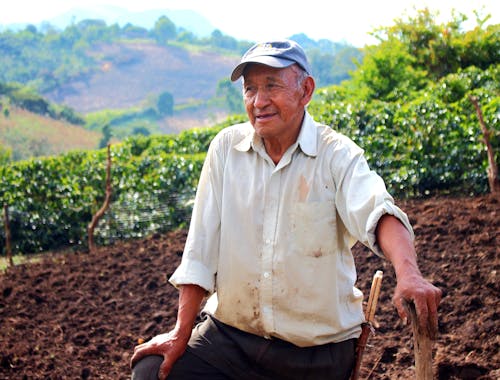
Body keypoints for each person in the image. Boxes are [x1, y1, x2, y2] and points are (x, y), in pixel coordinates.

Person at [130, 39, 441, 380]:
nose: (259, 102)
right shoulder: (226, 150)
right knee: (152, 372)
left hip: (314, 354)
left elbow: (378, 213)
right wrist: (181, 332)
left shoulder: (336, 155)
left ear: (305, 90)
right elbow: (200, 252)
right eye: (250, 90)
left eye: (272, 87)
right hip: (230, 340)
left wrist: (409, 274)